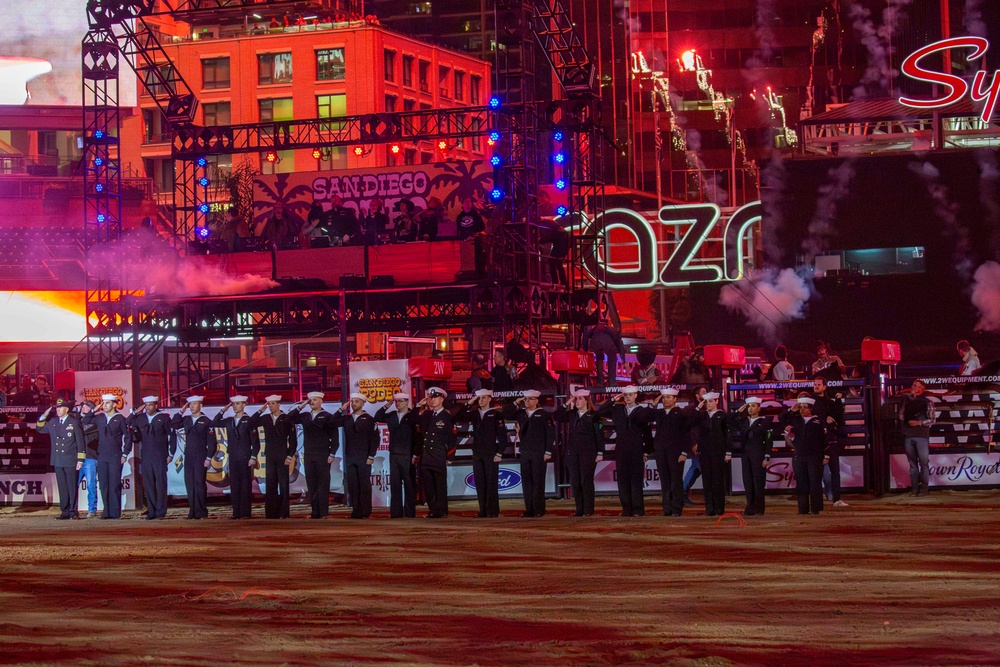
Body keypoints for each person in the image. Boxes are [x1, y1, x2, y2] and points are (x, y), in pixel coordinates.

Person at [596, 386, 650, 517]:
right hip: (621, 449)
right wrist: (613, 399)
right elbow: (599, 412)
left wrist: (646, 452)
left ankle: (638, 509)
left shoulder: (642, 411)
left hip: (637, 449)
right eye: (625, 395)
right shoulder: (618, 409)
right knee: (623, 481)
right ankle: (627, 509)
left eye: (630, 394)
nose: (628, 397)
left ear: (636, 395)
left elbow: (647, 433)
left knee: (636, 481)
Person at [457, 389, 507, 518]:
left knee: (491, 482)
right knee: (480, 482)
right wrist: (470, 401)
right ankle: (483, 510)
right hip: (477, 451)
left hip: (491, 452)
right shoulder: (475, 413)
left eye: (484, 398)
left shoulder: (496, 414)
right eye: (480, 398)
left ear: (490, 399)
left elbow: (502, 435)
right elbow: (458, 416)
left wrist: (500, 452)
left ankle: (492, 510)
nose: (481, 400)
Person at [554, 389, 604, 517]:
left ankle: (588, 509)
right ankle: (579, 509)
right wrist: (567, 402)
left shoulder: (593, 416)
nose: (577, 401)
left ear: (587, 400)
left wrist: (599, 452)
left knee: (586, 481)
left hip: (588, 453)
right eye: (576, 399)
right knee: (575, 481)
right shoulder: (572, 414)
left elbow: (599, 435)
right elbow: (557, 416)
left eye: (580, 398)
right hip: (573, 452)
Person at [288, 391, 338, 519]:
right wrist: (301, 406)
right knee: (311, 484)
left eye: (315, 400)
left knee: (323, 483)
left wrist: (332, 453)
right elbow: (289, 418)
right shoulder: (305, 416)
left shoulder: (327, 416)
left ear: (321, 401)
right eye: (311, 400)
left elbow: (335, 437)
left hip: (323, 454)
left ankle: (324, 512)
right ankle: (315, 512)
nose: (312, 402)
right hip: (309, 454)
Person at [80, 393, 129, 519]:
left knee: (114, 485)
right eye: (104, 403)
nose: (105, 405)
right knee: (104, 485)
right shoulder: (100, 417)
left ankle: (115, 512)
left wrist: (125, 453)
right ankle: (106, 512)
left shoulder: (120, 418)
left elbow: (128, 437)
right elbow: (85, 420)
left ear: (114, 404)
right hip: (101, 455)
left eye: (107, 403)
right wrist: (93, 410)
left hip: (115, 455)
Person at [506, 389, 554, 517]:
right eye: (526, 399)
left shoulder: (544, 414)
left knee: (538, 481)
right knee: (527, 481)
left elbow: (550, 434)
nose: (527, 401)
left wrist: (548, 450)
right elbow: (505, 414)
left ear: (537, 400)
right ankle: (529, 509)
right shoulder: (521, 413)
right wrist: (516, 402)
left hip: (539, 451)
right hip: (525, 451)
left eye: (530, 399)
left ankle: (539, 509)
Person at [644, 388, 691, 517]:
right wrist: (653, 404)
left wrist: (684, 452)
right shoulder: (659, 413)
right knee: (664, 480)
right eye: (664, 397)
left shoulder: (681, 414)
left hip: (676, 451)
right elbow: (645, 416)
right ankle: (667, 508)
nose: (665, 400)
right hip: (661, 451)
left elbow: (686, 434)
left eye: (669, 397)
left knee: (675, 480)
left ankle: (676, 508)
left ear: (675, 399)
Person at [782, 396, 831, 515]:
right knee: (802, 482)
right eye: (801, 407)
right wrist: (791, 410)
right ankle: (803, 509)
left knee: (815, 482)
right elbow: (781, 418)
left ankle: (816, 508)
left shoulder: (819, 421)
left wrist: (826, 456)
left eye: (805, 407)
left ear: (811, 409)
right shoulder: (796, 420)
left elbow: (826, 439)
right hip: (799, 455)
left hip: (815, 456)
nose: (802, 410)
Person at [127, 396, 174, 520]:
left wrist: (171, 453)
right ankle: (151, 510)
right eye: (146, 405)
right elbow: (127, 422)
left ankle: (161, 511)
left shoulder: (163, 418)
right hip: (146, 455)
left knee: (160, 483)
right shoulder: (141, 418)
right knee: (148, 484)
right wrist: (136, 412)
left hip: (160, 455)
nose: (148, 408)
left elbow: (171, 436)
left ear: (156, 406)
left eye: (150, 405)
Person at [36, 398, 85, 520]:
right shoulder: (53, 422)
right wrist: (44, 416)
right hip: (58, 459)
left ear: (66, 409)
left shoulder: (73, 422)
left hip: (71, 459)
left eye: (60, 407)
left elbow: (80, 441)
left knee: (72, 486)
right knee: (62, 486)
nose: (58, 410)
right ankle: (64, 511)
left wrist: (80, 460)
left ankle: (73, 511)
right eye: (57, 408)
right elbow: (40, 429)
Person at [213, 395, 260, 520]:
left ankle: (245, 512)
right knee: (234, 485)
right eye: (233, 404)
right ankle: (236, 512)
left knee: (245, 485)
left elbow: (255, 442)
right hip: (233, 457)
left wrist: (253, 457)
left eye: (238, 404)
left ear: (244, 405)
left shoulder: (249, 421)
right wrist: (223, 410)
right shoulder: (229, 421)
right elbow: (215, 422)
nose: (235, 406)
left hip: (245, 456)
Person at [170, 396, 217, 520]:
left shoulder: (206, 421)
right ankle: (192, 511)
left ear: (200, 405)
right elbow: (174, 424)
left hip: (201, 455)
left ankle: (201, 511)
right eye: (190, 404)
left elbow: (212, 442)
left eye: (194, 404)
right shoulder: (186, 419)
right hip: (189, 456)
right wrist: (181, 411)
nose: (191, 406)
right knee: (189, 483)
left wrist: (208, 458)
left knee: (199, 484)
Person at [374, 393, 420, 518]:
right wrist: (386, 405)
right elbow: (378, 416)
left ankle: (410, 512)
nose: (397, 403)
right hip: (394, 453)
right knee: (395, 484)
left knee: (409, 484)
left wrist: (415, 454)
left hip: (407, 453)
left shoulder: (412, 416)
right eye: (396, 401)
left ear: (406, 402)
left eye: (400, 401)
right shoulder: (392, 415)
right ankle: (396, 512)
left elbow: (417, 437)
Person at [334, 392, 379, 519]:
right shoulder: (347, 418)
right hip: (350, 457)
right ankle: (356, 510)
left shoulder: (369, 419)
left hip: (364, 457)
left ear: (363, 403)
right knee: (353, 485)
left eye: (356, 401)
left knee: (364, 485)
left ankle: (365, 510)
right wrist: (340, 409)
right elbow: (331, 422)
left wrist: (371, 456)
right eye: (352, 401)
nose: (354, 404)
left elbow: (375, 439)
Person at [252, 394, 297, 519]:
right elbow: (251, 422)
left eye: (273, 404)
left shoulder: (286, 418)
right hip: (270, 454)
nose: (270, 406)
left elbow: (293, 440)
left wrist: (289, 455)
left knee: (283, 484)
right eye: (269, 404)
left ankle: (284, 512)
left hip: (282, 454)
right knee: (270, 484)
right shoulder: (265, 418)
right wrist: (260, 410)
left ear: (278, 404)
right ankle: (271, 512)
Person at [690, 391, 732, 517]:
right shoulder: (702, 416)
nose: (708, 404)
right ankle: (709, 509)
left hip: (718, 453)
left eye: (710, 401)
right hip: (705, 453)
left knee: (717, 481)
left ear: (716, 402)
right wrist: (698, 407)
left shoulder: (722, 416)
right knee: (707, 481)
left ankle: (719, 509)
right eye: (707, 401)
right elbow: (690, 421)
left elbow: (727, 435)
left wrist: (728, 452)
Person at [416, 387, 455, 518]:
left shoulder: (447, 416)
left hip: (438, 455)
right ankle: (433, 509)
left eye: (435, 398)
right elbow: (414, 421)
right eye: (430, 398)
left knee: (440, 484)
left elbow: (452, 438)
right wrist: (418, 407)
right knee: (428, 485)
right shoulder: (426, 415)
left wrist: (450, 455)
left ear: (442, 399)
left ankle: (442, 510)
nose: (432, 401)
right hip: (426, 455)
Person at [732, 396, 774, 516]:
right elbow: (730, 421)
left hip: (758, 454)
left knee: (758, 481)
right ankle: (750, 506)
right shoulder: (744, 421)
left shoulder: (765, 422)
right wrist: (738, 412)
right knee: (748, 481)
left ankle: (759, 508)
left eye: (753, 406)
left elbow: (769, 439)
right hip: (745, 454)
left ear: (759, 408)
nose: (750, 409)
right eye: (749, 406)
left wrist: (767, 456)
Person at [810, 376, 848, 507]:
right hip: (815, 442)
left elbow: (839, 417)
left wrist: (838, 400)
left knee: (835, 471)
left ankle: (836, 499)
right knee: (816, 473)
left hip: (830, 441)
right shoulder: (810, 402)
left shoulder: (828, 402)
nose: (816, 386)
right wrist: (824, 418)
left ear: (824, 387)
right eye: (815, 384)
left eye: (819, 384)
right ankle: (816, 501)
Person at [899, 380, 934, 496]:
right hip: (910, 435)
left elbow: (932, 420)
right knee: (913, 464)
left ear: (921, 388)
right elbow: (901, 415)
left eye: (915, 385)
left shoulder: (927, 402)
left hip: (920, 435)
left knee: (922, 463)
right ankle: (915, 490)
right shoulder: (907, 400)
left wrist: (918, 422)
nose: (913, 387)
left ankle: (923, 489)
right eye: (913, 384)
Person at [682, 386, 708, 506]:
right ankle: (681, 493)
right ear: (697, 396)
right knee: (702, 468)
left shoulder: (706, 408)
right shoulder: (691, 409)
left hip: (703, 443)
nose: (706, 393)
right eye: (704, 392)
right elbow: (689, 428)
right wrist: (694, 444)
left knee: (695, 469)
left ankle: (682, 492)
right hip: (696, 444)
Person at [583, 320, 626, 385]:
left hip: (594, 341)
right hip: (606, 342)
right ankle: (612, 382)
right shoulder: (613, 331)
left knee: (599, 357)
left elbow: (586, 336)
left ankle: (600, 381)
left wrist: (585, 349)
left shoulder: (595, 328)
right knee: (612, 357)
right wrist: (623, 357)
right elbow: (619, 344)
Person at [77, 400, 100, 518]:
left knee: (91, 485)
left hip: (90, 457)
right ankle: (72, 509)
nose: (83, 408)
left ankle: (92, 509)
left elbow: (82, 431)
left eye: (86, 407)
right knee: (72, 485)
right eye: (82, 406)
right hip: (76, 458)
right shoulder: (77, 420)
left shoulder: (94, 422)